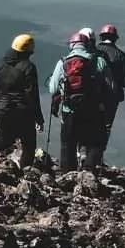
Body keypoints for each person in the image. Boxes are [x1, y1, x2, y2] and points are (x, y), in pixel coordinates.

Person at [48, 32, 114, 169]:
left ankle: (67, 175)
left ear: (72, 45)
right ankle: (88, 171)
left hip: (69, 110)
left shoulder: (63, 62)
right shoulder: (98, 61)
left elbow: (52, 88)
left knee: (68, 144)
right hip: (93, 110)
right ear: (87, 45)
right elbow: (111, 87)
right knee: (96, 142)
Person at [0, 34, 44, 167]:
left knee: (6, 139)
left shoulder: (0, 64)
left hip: (4, 108)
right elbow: (32, 95)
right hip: (23, 110)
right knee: (29, 144)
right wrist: (39, 119)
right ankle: (24, 171)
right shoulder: (28, 67)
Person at [97, 24, 125, 150]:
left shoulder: (93, 52)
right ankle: (98, 157)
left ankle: (83, 154)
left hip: (91, 95)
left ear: (101, 37)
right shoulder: (122, 56)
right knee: (106, 126)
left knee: (89, 124)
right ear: (115, 38)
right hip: (111, 98)